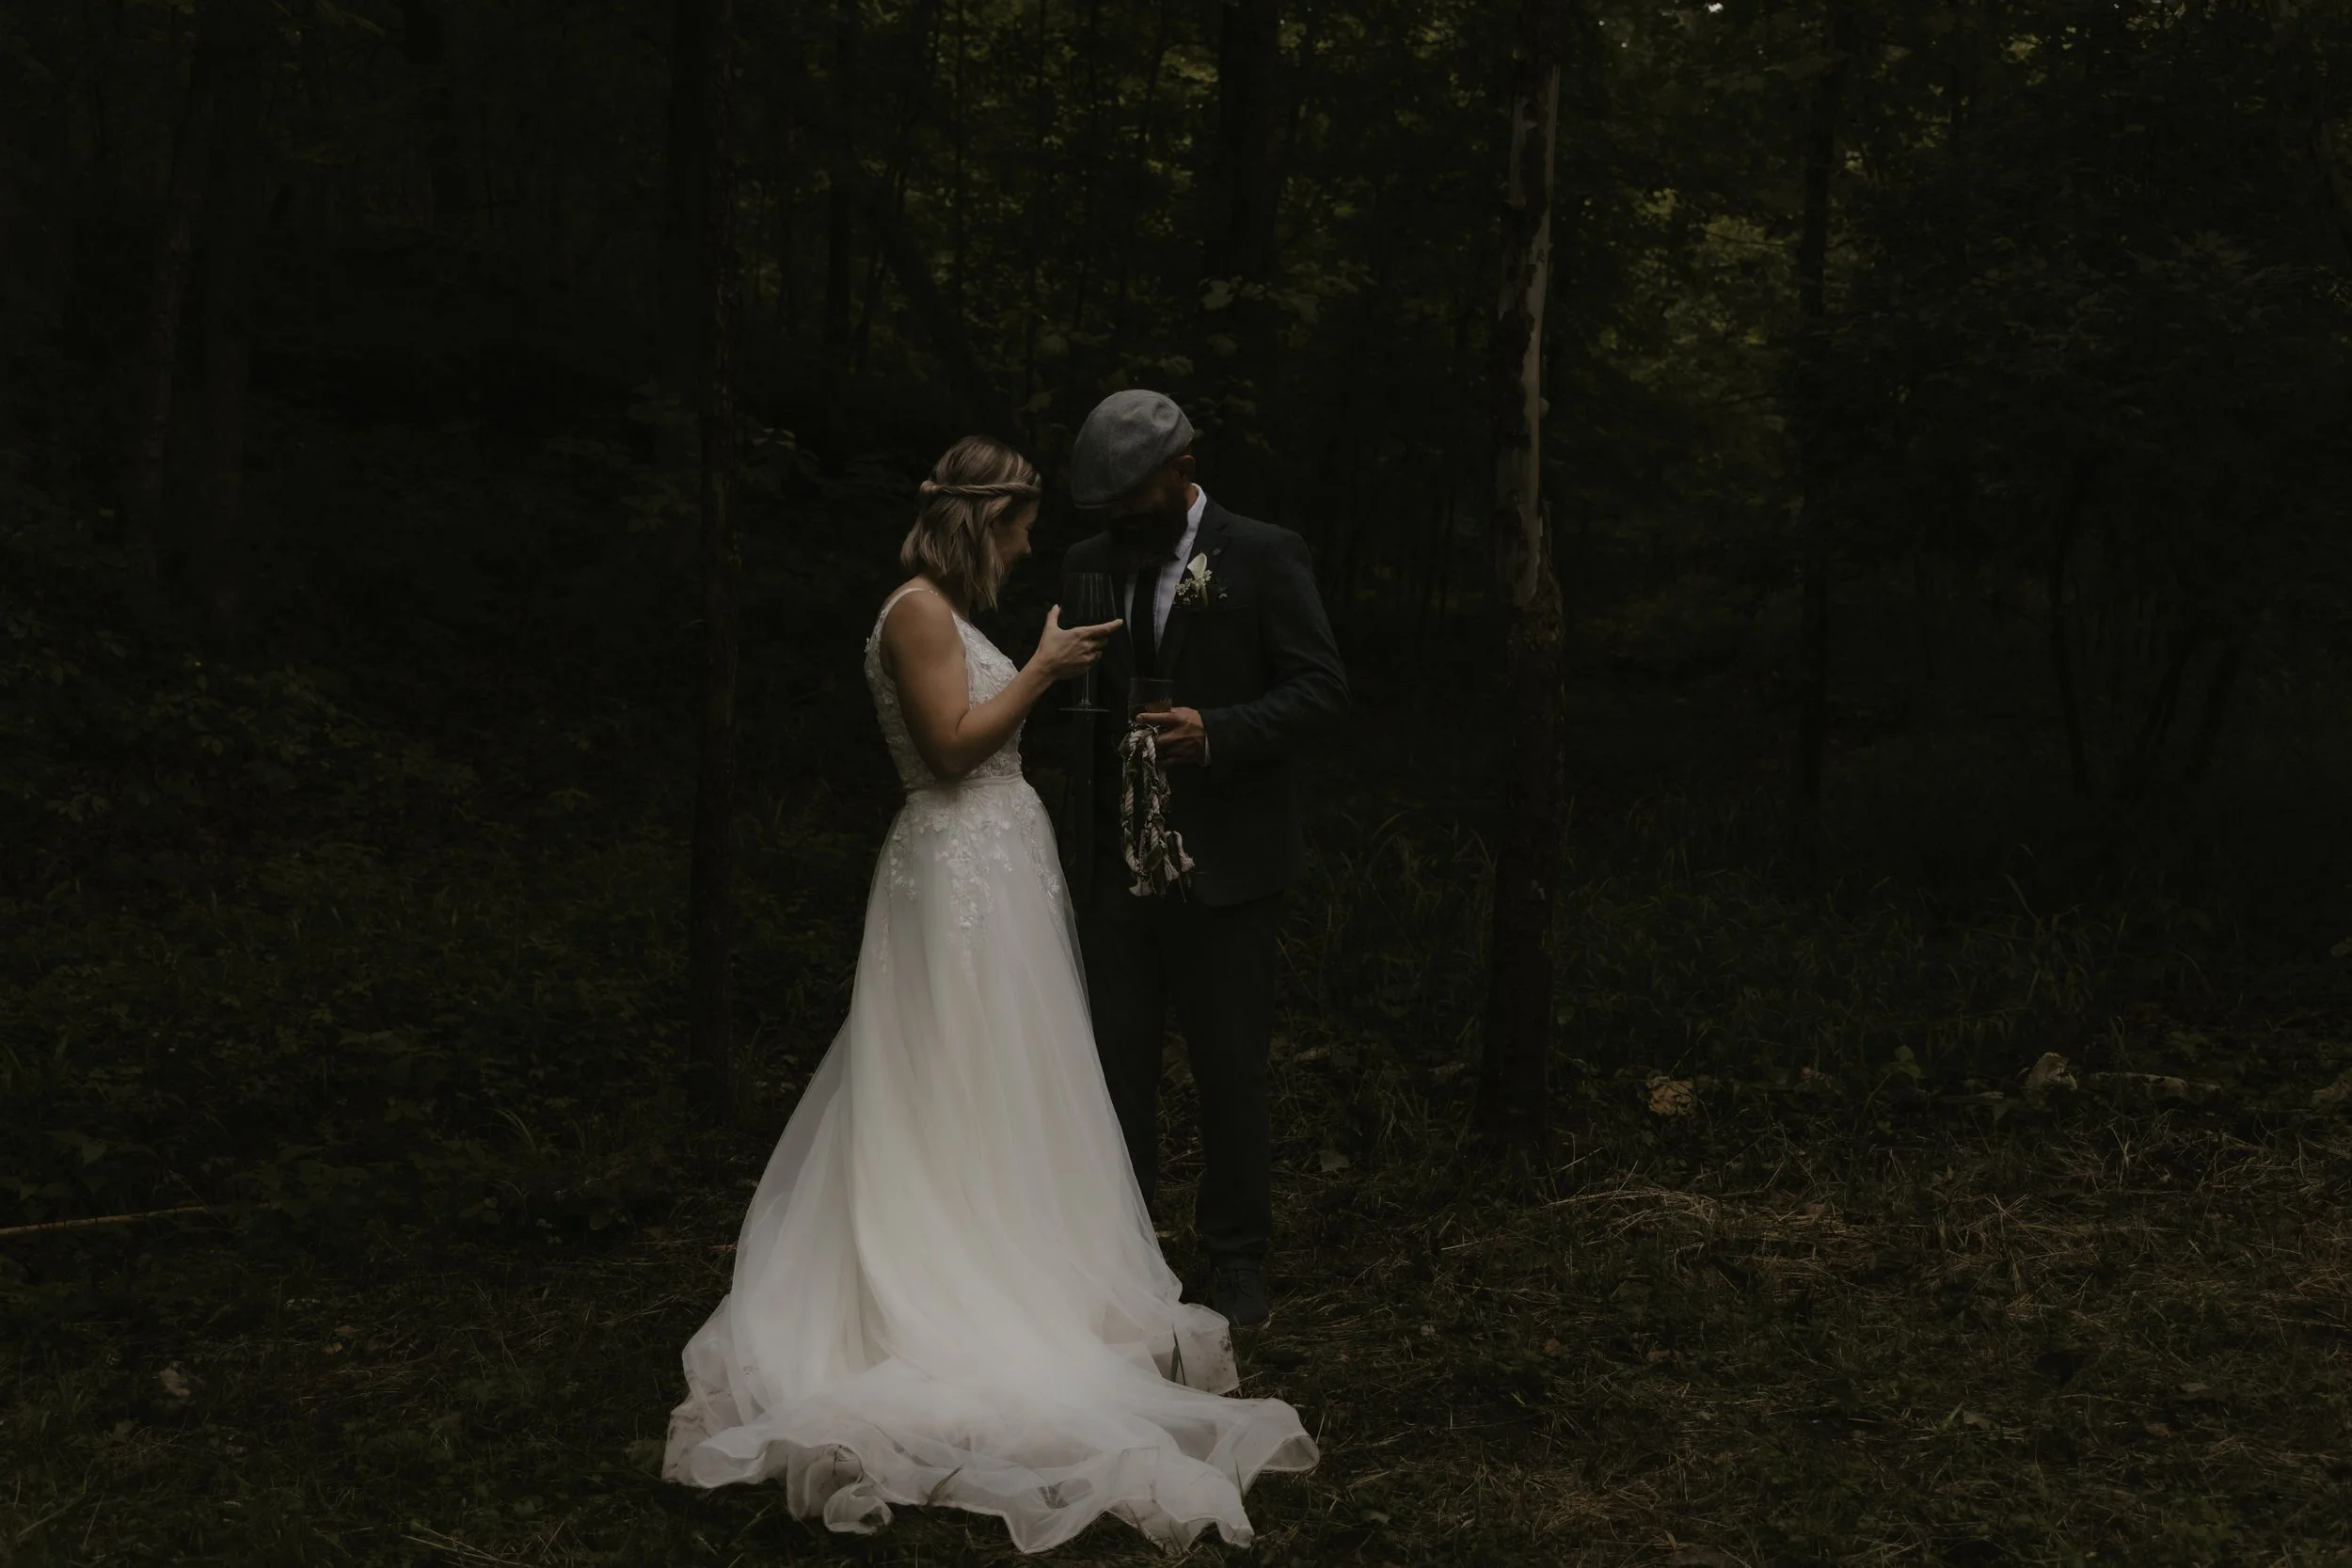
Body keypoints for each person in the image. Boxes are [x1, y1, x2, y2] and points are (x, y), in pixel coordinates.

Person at [660, 435, 1317, 1554]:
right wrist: (1046, 668)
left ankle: (1014, 1248)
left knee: (998, 1077)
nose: (1025, 548)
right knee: (952, 1071)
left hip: (992, 871)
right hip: (956, 871)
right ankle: (952, 1275)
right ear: (982, 521)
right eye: (1018, 529)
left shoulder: (945, 610)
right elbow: (952, 748)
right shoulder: (917, 612)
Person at [1058, 391, 1350, 1330]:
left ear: (1181, 473)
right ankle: (1125, 1254)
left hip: (1230, 864)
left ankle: (1235, 1255)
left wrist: (1216, 730)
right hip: (1117, 868)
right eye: (1106, 504)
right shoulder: (1087, 562)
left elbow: (1322, 690)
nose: (1118, 517)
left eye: (1131, 498)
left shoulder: (1262, 553)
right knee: (1115, 1072)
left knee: (1229, 1071)